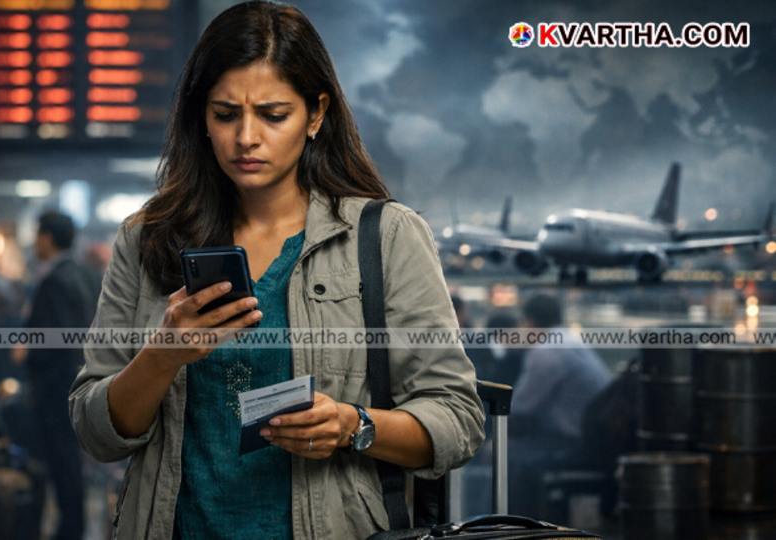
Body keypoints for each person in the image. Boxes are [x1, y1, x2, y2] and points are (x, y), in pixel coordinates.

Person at [68, 3, 485, 539]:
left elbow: (459, 418)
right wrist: (161, 356)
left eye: (272, 114)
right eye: (225, 114)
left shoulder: (385, 236)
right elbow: (96, 433)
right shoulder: (148, 239)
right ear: (201, 117)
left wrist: (353, 425)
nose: (246, 137)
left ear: (315, 115)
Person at [24, 210, 98, 540]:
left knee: (63, 462)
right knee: (73, 462)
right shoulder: (84, 274)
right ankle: (75, 526)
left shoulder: (54, 280)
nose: (34, 242)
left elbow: (55, 337)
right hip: (81, 379)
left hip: (56, 386)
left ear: (47, 238)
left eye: (37, 234)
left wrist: (27, 349)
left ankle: (69, 530)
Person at [507, 293, 612, 517]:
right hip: (597, 440)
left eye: (523, 323)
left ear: (531, 322)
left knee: (507, 457)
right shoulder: (569, 340)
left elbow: (519, 409)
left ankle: (508, 528)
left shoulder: (547, 351)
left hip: (576, 444)